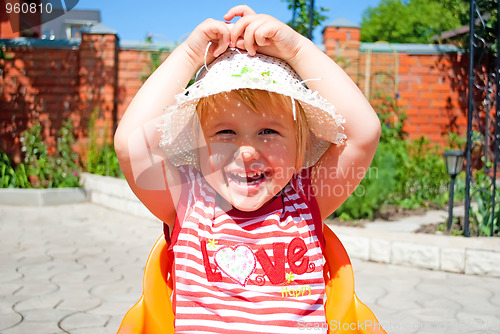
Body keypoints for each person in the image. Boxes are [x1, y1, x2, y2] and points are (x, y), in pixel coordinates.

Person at [114, 5, 380, 333]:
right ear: (199, 146)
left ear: (300, 148)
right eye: (225, 133)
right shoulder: (189, 204)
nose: (248, 151)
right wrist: (190, 55)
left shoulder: (303, 203)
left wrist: (297, 49)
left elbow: (363, 133)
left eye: (268, 132)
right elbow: (131, 144)